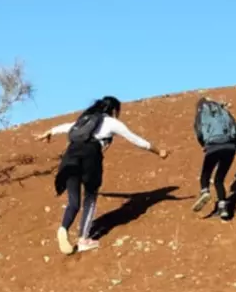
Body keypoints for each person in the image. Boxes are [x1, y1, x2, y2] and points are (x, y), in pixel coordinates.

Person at [43, 97, 167, 254]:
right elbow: (135, 139)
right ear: (114, 110)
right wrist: (158, 151)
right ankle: (83, 240)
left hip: (69, 159)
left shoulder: (84, 120)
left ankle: (63, 228)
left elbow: (67, 127)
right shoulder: (111, 122)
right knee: (90, 197)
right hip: (90, 160)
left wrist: (50, 131)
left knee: (73, 202)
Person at [191, 97, 236, 220]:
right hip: (230, 148)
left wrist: (204, 145)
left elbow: (199, 132)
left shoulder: (201, 113)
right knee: (219, 179)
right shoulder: (223, 111)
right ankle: (223, 209)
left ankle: (205, 191)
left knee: (205, 174)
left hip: (213, 147)